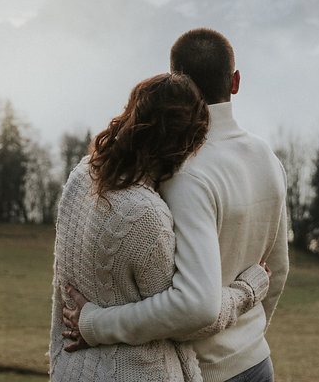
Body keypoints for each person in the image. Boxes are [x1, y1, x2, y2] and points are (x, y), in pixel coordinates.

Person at [63, 29, 290, 382]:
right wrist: (248, 340)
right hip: (258, 363)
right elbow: (276, 269)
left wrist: (96, 324)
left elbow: (194, 305)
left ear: (175, 83)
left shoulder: (182, 171)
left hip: (205, 371)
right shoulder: (267, 158)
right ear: (235, 82)